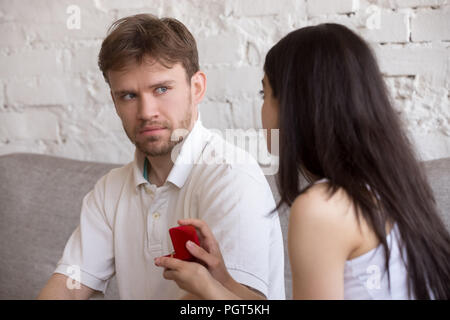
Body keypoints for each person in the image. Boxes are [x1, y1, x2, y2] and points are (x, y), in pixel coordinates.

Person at [155, 23, 450, 300]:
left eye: (264, 92)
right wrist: (224, 281)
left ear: (295, 105)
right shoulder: (388, 188)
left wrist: (210, 290)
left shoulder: (322, 207)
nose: (261, 108)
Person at [37, 14, 285, 300]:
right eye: (128, 96)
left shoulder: (231, 175)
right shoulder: (109, 191)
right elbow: (67, 286)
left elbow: (229, 302)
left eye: (162, 89)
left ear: (197, 88)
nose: (146, 112)